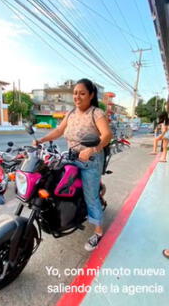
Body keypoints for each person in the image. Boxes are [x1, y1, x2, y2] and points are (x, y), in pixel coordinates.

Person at [35, 78, 113, 251]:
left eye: (82, 93)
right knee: (52, 180)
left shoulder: (96, 113)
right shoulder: (70, 113)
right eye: (75, 93)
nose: (77, 96)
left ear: (91, 95)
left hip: (90, 161)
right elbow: (58, 131)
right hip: (70, 157)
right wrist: (41, 139)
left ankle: (98, 232)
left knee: (90, 197)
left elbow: (107, 135)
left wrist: (92, 150)